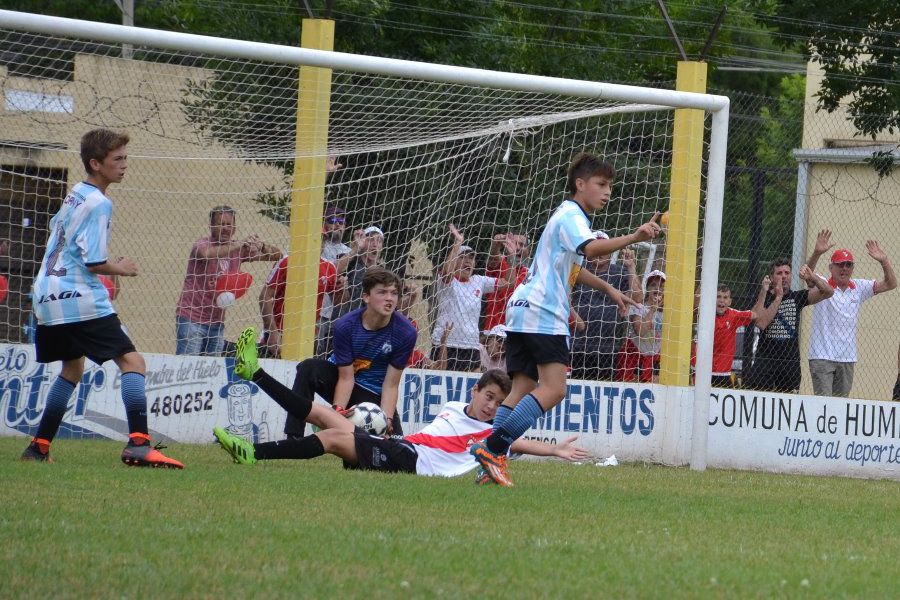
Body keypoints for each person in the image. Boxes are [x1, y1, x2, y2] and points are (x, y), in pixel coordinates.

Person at [469, 152, 659, 487]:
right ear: (580, 184)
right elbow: (590, 250)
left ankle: (490, 465)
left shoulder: (565, 216)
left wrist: (609, 290)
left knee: (522, 389)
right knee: (554, 390)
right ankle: (493, 449)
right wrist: (634, 237)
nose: (607, 192)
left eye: (610, 186)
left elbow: (572, 266)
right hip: (543, 311)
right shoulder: (573, 215)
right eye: (601, 184)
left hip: (521, 308)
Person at [21, 128, 182, 467]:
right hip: (77, 295)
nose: (125, 165)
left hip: (46, 296)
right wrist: (120, 267)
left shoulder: (76, 193)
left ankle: (39, 447)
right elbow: (94, 261)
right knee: (133, 363)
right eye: (117, 159)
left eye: (125, 158)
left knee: (72, 368)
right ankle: (139, 444)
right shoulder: (99, 202)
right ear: (96, 163)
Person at [214, 367, 588, 481]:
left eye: (498, 402)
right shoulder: (454, 406)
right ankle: (256, 375)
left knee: (329, 436)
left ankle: (252, 454)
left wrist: (554, 449)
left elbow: (516, 444)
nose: (492, 406)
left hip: (413, 462)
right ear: (474, 392)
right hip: (403, 445)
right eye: (488, 397)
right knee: (324, 413)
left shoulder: (492, 435)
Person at [280, 267, 417, 439]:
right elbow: (346, 378)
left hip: (373, 396)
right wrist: (336, 414)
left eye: (394, 293)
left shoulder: (406, 332)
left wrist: (386, 420)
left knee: (395, 454)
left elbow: (390, 385)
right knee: (308, 368)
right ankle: (294, 438)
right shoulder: (346, 326)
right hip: (343, 381)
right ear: (366, 296)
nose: (389, 298)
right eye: (382, 292)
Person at [175, 205, 281, 356]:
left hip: (216, 323)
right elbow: (206, 254)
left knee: (212, 371)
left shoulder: (238, 250)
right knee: (187, 366)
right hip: (191, 318)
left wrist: (261, 246)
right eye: (221, 224)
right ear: (211, 226)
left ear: (235, 227)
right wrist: (238, 244)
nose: (226, 228)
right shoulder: (202, 244)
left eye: (229, 224)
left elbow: (277, 256)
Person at [805, 230, 896, 397]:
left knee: (840, 409)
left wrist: (884, 261)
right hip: (822, 356)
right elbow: (806, 274)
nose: (844, 268)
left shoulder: (859, 287)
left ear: (853, 268)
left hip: (847, 358)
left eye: (848, 264)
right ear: (831, 267)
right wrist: (817, 253)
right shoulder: (823, 283)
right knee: (823, 406)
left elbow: (891, 284)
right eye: (840, 264)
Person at [744, 258, 833, 394]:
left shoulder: (797, 297)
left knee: (788, 404)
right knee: (761, 399)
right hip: (766, 360)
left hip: (789, 362)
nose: (784, 276)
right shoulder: (764, 297)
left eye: (787, 273)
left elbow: (829, 292)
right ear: (771, 277)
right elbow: (761, 323)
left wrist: (813, 277)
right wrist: (777, 296)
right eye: (779, 273)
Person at [431, 224, 513, 372]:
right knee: (440, 384)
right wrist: (458, 242)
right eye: (462, 257)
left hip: (470, 345)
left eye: (471, 258)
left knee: (471, 385)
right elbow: (447, 272)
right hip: (446, 342)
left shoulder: (478, 281)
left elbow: (508, 282)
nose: (468, 261)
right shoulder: (446, 281)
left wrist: (511, 257)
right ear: (454, 260)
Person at [571, 230, 641, 381]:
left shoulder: (619, 272)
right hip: (578, 345)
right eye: (597, 246)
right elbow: (563, 295)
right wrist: (575, 317)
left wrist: (631, 268)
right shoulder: (577, 271)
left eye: (604, 247)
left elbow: (638, 297)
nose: (600, 252)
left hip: (608, 347)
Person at [259, 255, 339, 358]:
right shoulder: (288, 261)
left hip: (307, 338)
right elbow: (265, 297)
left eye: (324, 238)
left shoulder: (329, 267)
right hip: (280, 333)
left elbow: (340, 301)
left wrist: (342, 288)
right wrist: (272, 332)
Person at [314, 206, 352, 358]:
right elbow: (331, 270)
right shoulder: (317, 245)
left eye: (341, 221)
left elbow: (345, 295)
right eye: (332, 220)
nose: (337, 224)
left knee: (324, 355)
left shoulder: (348, 251)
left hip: (334, 313)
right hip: (316, 310)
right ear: (324, 224)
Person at [615, 270, 665, 383]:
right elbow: (640, 332)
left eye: (661, 286)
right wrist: (652, 309)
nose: (657, 289)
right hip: (634, 354)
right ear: (647, 289)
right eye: (653, 285)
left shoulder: (669, 311)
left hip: (654, 357)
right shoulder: (638, 306)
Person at [710, 284, 760, 388]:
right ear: (711, 298)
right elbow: (695, 305)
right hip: (704, 372)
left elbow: (755, 313)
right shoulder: (705, 314)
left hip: (723, 374)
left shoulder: (733, 315)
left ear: (729, 302)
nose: (721, 300)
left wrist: (764, 290)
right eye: (718, 296)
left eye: (725, 297)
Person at [483, 232, 529, 331]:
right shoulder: (500, 263)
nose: (517, 248)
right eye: (514, 243)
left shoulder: (531, 275)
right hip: (494, 331)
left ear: (528, 250)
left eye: (522, 245)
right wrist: (496, 243)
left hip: (520, 332)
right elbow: (493, 256)